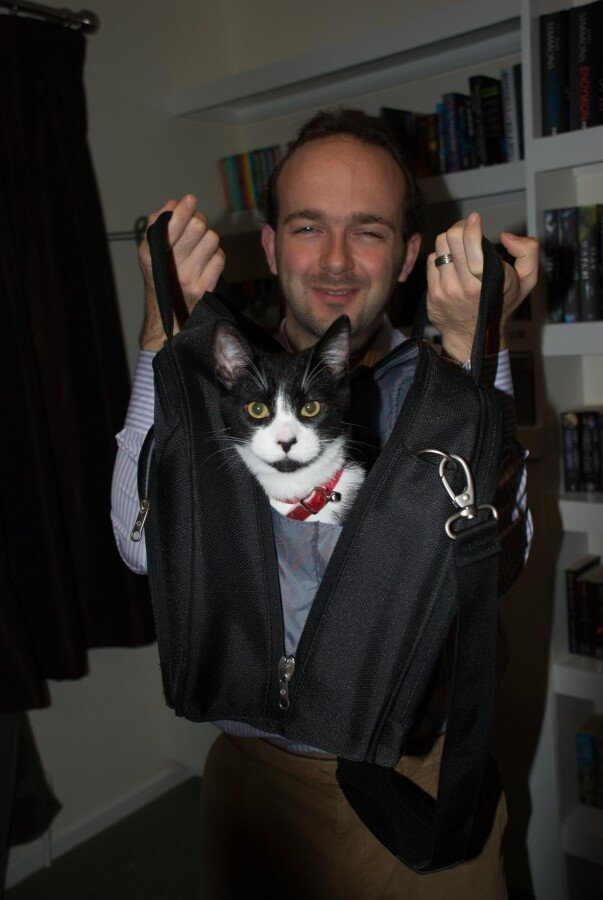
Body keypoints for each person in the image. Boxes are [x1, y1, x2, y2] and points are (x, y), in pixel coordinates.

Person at [111, 109, 538, 899]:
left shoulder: (440, 377)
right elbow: (141, 551)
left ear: (406, 256)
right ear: (271, 246)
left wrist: (478, 349)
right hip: (256, 785)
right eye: (308, 226)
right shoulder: (228, 382)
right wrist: (161, 334)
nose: (335, 260)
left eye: (367, 230)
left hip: (416, 785)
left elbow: (498, 561)